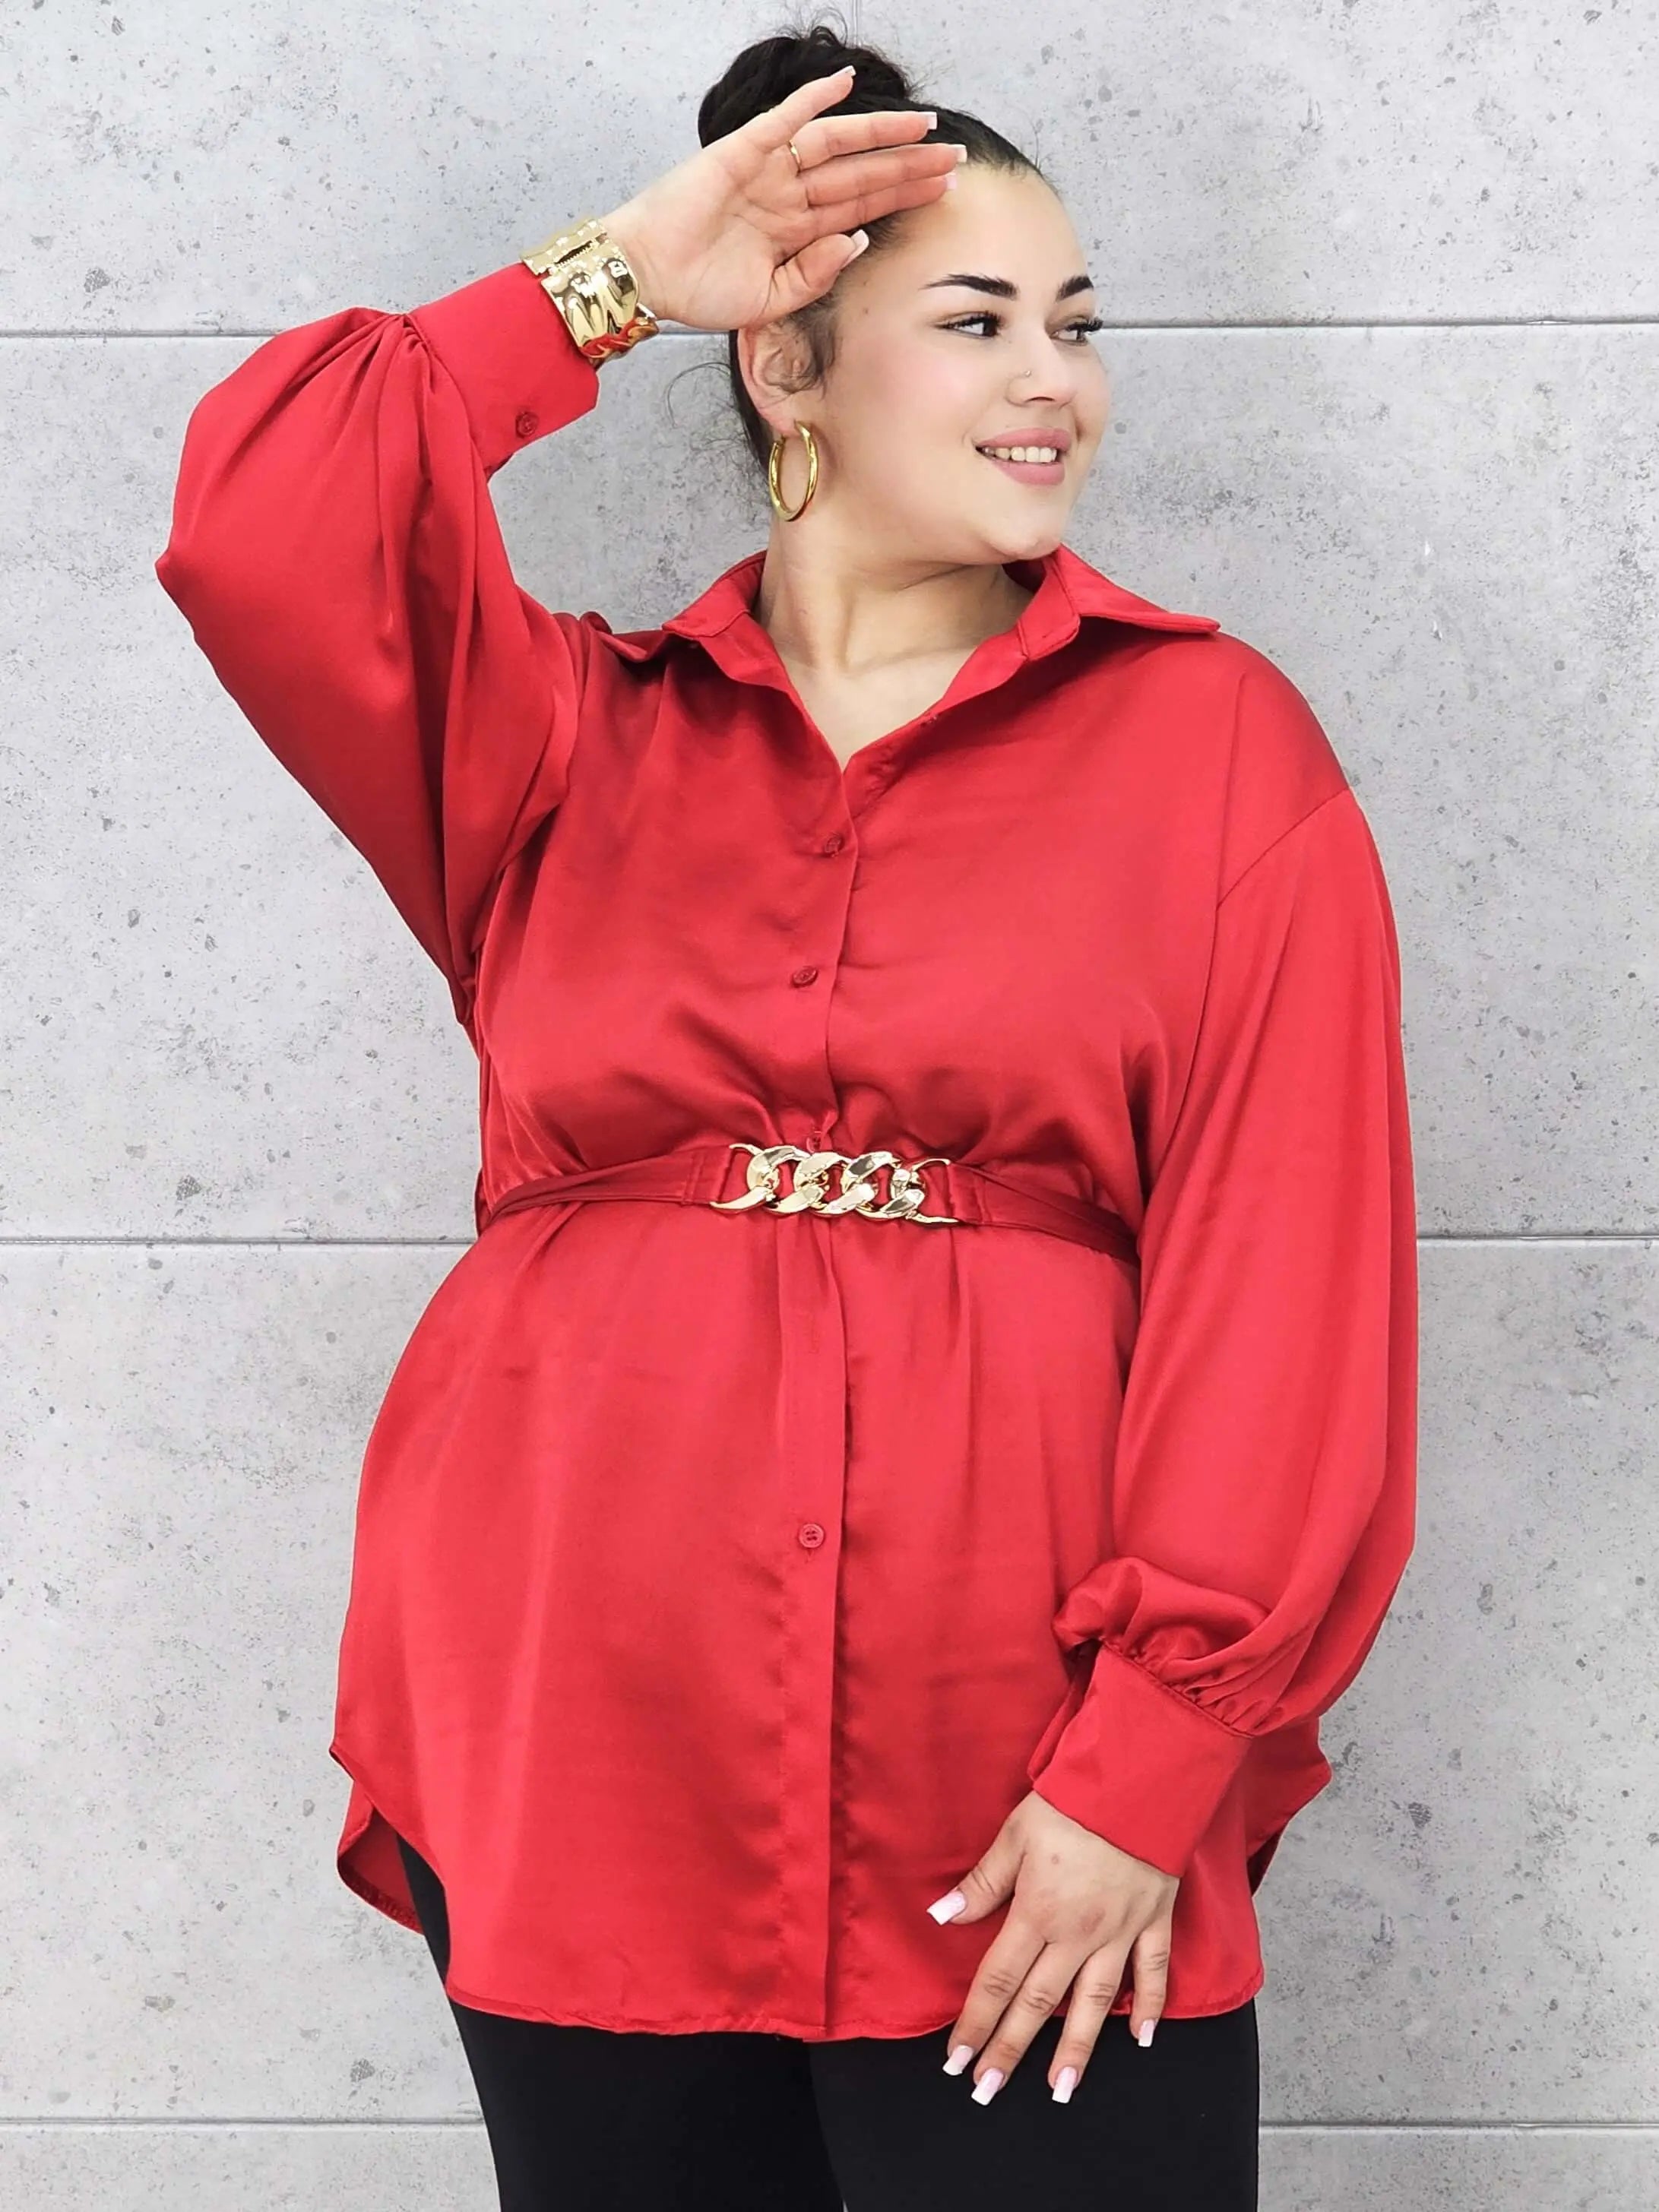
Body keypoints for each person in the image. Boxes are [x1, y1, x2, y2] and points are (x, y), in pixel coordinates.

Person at [154, 21, 1417, 2210]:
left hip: (1022, 1783)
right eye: (976, 322)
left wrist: (1149, 1765)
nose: (1057, 382)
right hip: (581, 1734)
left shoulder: (1219, 748)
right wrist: (620, 277)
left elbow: (1288, 1288)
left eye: (1077, 325)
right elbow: (263, 524)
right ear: (786, 368)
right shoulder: (562, 740)